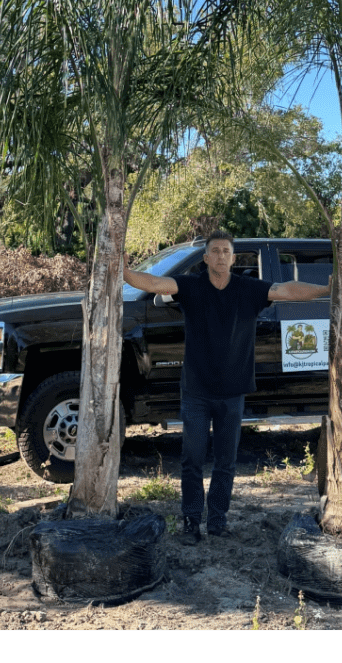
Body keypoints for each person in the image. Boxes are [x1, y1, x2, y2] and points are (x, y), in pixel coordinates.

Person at [123, 230, 331, 545]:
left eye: (226, 251)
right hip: (196, 391)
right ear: (206, 258)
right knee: (192, 459)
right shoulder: (190, 286)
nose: (221, 255)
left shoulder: (249, 289)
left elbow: (287, 290)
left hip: (233, 392)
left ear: (234, 258)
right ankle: (191, 523)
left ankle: (217, 522)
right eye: (215, 251)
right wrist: (122, 271)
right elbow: (153, 284)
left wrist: (326, 289)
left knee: (226, 462)